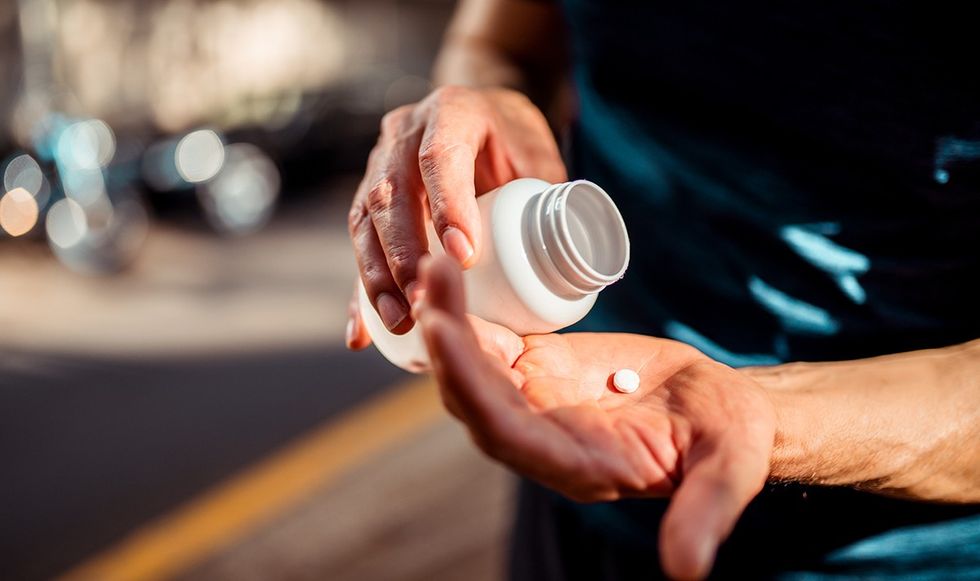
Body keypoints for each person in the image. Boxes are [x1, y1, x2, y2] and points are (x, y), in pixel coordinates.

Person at [345, 1, 980, 579]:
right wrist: (486, 99)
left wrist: (774, 415)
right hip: (574, 442)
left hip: (880, 554)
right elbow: (499, 38)